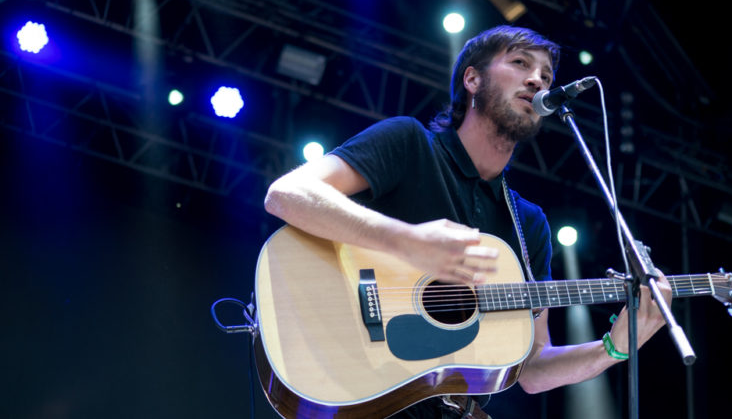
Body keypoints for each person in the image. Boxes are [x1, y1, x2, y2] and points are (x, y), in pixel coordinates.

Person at [264, 25, 672, 418]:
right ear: (472, 79)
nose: (537, 81)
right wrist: (404, 240)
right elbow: (287, 194)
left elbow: (529, 368)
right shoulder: (408, 143)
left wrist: (613, 349)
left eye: (546, 75)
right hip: (358, 385)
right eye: (519, 63)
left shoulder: (528, 224)